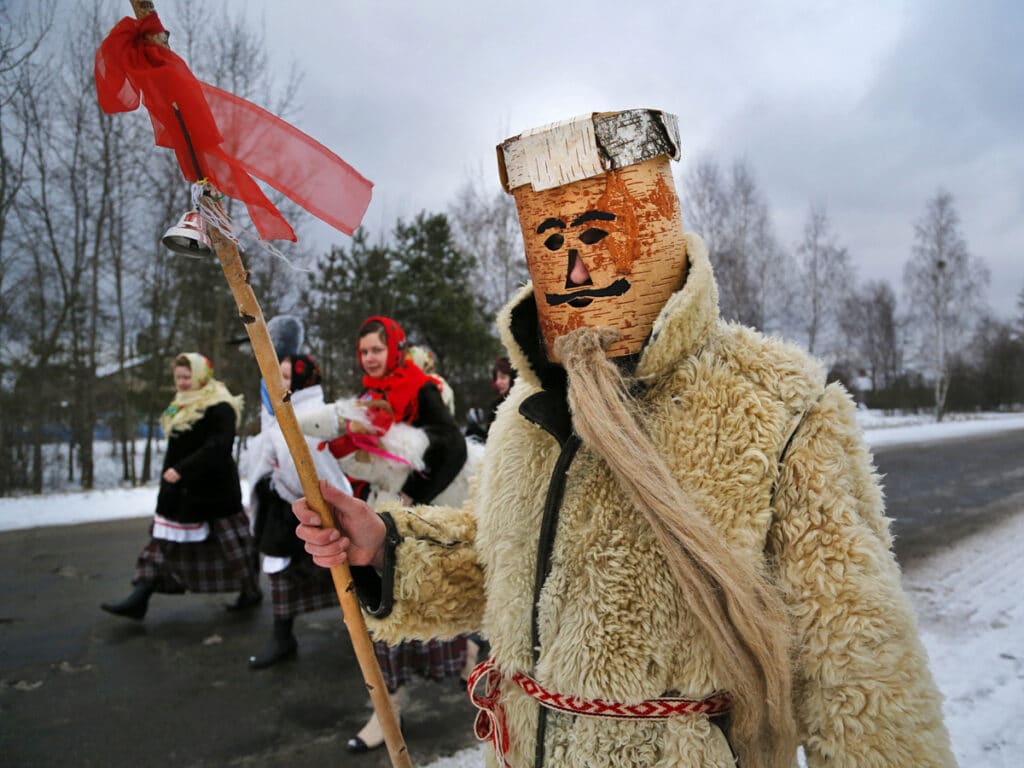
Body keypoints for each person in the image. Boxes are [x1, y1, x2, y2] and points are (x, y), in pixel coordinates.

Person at [293, 110, 954, 768]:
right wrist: (386, 551)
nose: (574, 271)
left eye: (596, 233)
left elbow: (860, 670)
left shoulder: (780, 408)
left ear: (657, 226)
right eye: (551, 242)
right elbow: (500, 571)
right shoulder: (528, 412)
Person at [342, 316, 470, 753]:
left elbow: (453, 444)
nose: (370, 358)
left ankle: (465, 658)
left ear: (394, 348)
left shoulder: (419, 387)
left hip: (410, 517)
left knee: (423, 602)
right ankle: (385, 711)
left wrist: (415, 498)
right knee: (376, 612)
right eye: (364, 352)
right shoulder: (367, 396)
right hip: (373, 512)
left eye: (376, 349)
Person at [102, 353, 260, 621]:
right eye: (178, 377)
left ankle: (250, 590)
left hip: (213, 490)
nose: (183, 383)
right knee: (162, 543)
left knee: (233, 547)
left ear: (201, 375)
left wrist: (183, 470)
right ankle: (140, 596)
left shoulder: (219, 404)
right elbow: (171, 431)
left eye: (187, 377)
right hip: (178, 492)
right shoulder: (179, 404)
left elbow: (219, 446)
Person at [245, 353, 353, 669]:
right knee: (283, 572)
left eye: (288, 376)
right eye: (276, 374)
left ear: (306, 380)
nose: (279, 381)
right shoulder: (277, 413)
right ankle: (282, 636)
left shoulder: (310, 418)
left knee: (340, 572)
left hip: (304, 508)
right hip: (279, 509)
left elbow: (321, 472)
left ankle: (366, 631)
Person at [466, 356, 515, 441]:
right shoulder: (496, 406)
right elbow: (492, 440)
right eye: (496, 378)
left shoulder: (519, 407)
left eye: (502, 377)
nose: (498, 382)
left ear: (513, 379)